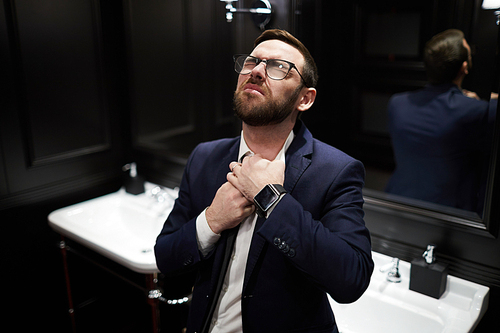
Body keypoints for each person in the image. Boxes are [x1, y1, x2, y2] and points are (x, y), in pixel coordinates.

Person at [155, 29, 373, 333]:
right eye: (251, 61)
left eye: (278, 67)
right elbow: (165, 257)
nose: (256, 71)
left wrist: (272, 199)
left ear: (305, 99)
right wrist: (212, 220)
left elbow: (351, 279)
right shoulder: (204, 157)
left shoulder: (336, 171)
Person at [385, 29, 495, 213]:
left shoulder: (397, 103)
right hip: (447, 215)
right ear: (464, 68)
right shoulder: (476, 111)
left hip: (398, 202)